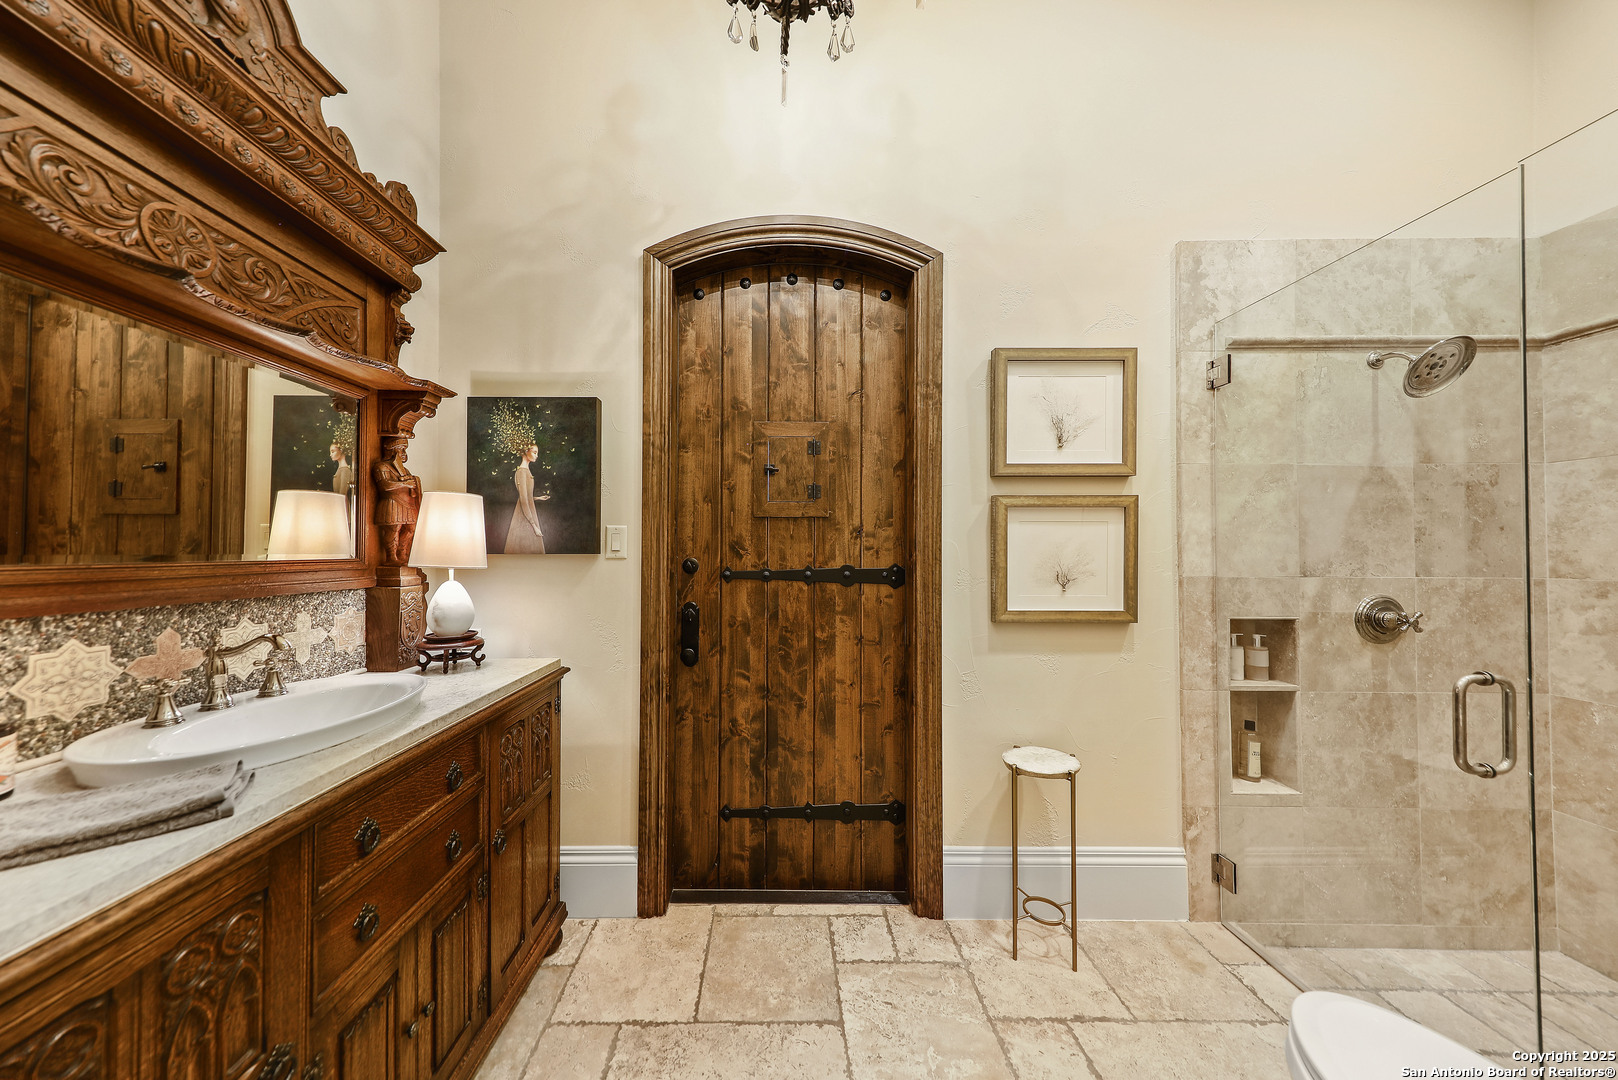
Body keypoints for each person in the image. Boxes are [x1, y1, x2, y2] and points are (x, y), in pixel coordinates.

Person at [503, 443, 548, 554]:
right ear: (525, 452)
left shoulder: (526, 471)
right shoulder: (521, 472)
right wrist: (534, 526)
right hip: (524, 515)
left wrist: (538, 498)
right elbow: (523, 499)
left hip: (528, 511)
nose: (537, 456)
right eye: (534, 452)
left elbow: (526, 496)